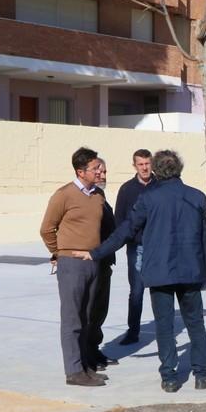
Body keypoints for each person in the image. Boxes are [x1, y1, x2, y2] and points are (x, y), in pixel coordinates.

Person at [77, 150, 206, 393]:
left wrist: (96, 252)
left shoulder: (149, 198)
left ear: (156, 170)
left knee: (164, 325)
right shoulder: (197, 196)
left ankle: (169, 376)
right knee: (195, 323)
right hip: (191, 270)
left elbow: (126, 229)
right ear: (179, 168)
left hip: (160, 271)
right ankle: (202, 374)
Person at [40, 147, 108, 387]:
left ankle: (85, 366)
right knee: (72, 319)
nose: (100, 171)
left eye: (100, 167)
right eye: (95, 168)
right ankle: (73, 371)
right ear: (81, 171)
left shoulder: (98, 195)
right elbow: (47, 229)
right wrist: (59, 252)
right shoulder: (63, 195)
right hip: (71, 264)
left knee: (88, 317)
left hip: (93, 262)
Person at [114, 149, 156, 345]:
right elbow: (120, 219)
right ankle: (133, 331)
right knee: (137, 291)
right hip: (136, 247)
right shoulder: (127, 189)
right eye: (141, 164)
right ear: (135, 166)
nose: (144, 168)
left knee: (161, 291)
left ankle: (165, 332)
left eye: (147, 163)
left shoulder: (160, 185)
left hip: (158, 247)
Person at [87, 158, 119, 371]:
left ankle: (94, 349)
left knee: (100, 310)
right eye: (99, 172)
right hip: (91, 263)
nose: (103, 176)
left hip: (105, 262)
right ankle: (86, 355)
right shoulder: (83, 198)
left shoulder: (100, 196)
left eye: (105, 172)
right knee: (89, 312)